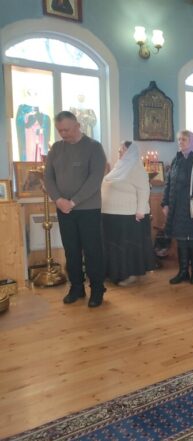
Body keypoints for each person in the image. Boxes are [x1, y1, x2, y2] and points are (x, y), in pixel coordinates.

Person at [44, 111, 107, 307]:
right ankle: (77, 288)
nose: (63, 134)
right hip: (64, 210)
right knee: (71, 250)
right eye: (60, 130)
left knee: (92, 251)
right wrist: (58, 199)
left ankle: (97, 290)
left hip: (88, 210)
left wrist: (73, 202)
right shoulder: (56, 148)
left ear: (78, 126)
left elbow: (95, 179)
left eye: (67, 130)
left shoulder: (94, 147)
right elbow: (48, 177)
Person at [162, 130, 193, 285]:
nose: (180, 142)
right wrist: (165, 203)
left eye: (184, 139)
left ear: (191, 142)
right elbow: (168, 184)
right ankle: (183, 272)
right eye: (179, 139)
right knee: (181, 240)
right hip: (178, 207)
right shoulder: (176, 160)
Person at [101, 141, 155, 286]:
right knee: (113, 246)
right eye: (119, 150)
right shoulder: (118, 167)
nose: (119, 152)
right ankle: (113, 272)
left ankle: (130, 274)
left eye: (123, 150)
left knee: (127, 247)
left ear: (131, 152)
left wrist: (141, 211)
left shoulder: (136, 168)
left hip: (128, 215)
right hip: (111, 214)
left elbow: (144, 190)